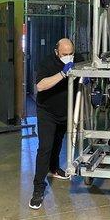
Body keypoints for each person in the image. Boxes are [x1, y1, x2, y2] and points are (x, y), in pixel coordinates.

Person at [29, 38, 75, 210]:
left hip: (64, 111)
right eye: (65, 54)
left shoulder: (74, 62)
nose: (68, 57)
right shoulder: (46, 63)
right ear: (57, 52)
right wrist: (62, 74)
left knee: (58, 143)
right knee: (45, 148)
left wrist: (85, 80)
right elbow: (40, 86)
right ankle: (38, 189)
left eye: (71, 54)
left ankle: (54, 169)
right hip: (47, 112)